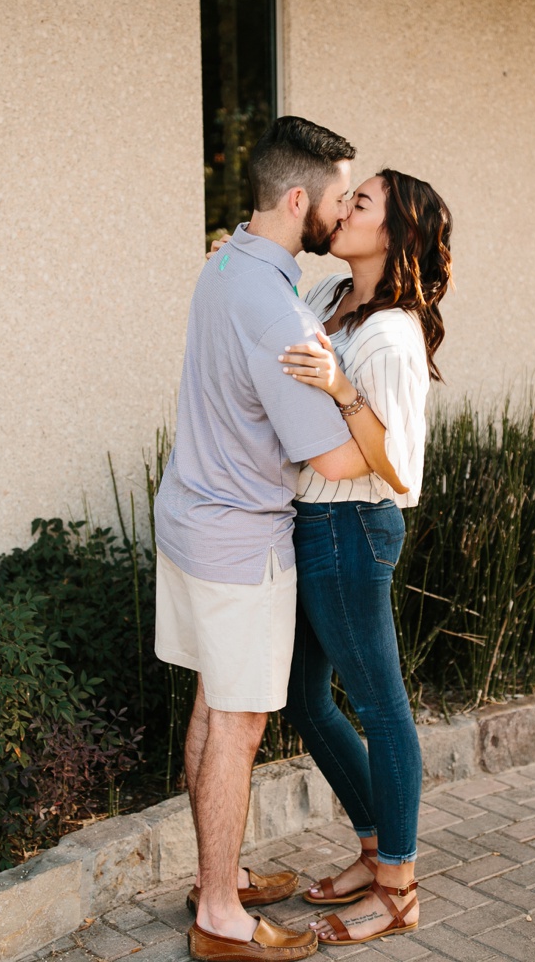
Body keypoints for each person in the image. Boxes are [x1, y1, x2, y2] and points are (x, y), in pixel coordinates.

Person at [154, 116, 375, 962]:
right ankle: (220, 916)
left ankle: (224, 875)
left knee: (215, 704)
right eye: (336, 199)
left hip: (192, 521)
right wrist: (367, 406)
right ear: (296, 199)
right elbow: (331, 453)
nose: (343, 211)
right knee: (238, 724)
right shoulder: (273, 307)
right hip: (241, 544)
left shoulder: (227, 263)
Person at [268, 169, 453, 945]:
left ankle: (400, 887)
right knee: (308, 701)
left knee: (379, 705)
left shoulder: (391, 334)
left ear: (396, 232)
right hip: (310, 519)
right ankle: (376, 848)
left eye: (362, 201)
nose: (344, 210)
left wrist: (343, 388)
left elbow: (397, 465)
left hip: (353, 526)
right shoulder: (326, 300)